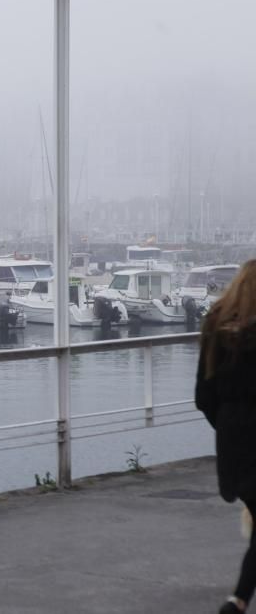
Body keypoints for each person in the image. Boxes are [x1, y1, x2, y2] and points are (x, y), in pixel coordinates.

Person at [195, 259, 256, 614]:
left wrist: (229, 427)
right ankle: (237, 600)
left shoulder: (215, 326)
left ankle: (238, 600)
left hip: (232, 443)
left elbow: (203, 397)